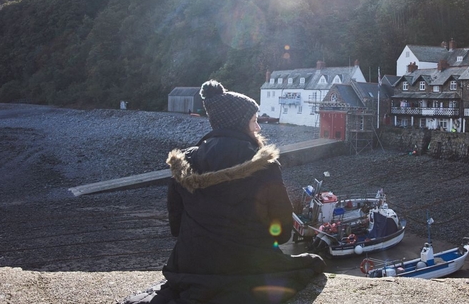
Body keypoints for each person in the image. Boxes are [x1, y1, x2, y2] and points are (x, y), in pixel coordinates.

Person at [124, 80, 325, 303]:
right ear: (239, 124)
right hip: (247, 265)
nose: (258, 128)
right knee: (311, 264)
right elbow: (283, 229)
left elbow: (176, 225)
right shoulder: (264, 166)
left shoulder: (184, 163)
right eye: (254, 121)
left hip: (191, 265)